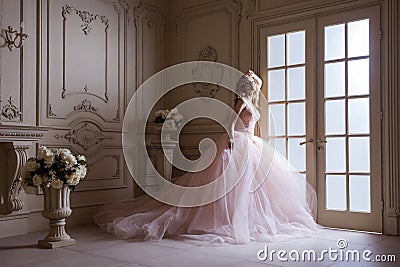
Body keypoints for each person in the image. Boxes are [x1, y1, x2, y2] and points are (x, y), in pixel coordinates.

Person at [94, 70, 320, 244]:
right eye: (250, 85)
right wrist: (232, 140)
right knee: (230, 186)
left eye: (254, 86)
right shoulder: (241, 101)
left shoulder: (252, 102)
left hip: (251, 143)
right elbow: (231, 123)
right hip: (237, 141)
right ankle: (223, 220)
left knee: (252, 186)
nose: (252, 89)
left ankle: (243, 219)